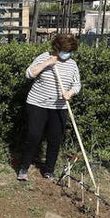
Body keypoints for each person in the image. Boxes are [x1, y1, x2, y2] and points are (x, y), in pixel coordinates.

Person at [17, 33, 82, 181]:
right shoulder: (44, 57)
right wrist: (47, 63)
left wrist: (70, 92)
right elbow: (29, 74)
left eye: (70, 51)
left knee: (55, 138)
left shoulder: (72, 64)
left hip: (59, 107)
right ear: (57, 48)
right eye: (65, 50)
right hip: (37, 104)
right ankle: (24, 167)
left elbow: (77, 84)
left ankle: (49, 170)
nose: (67, 54)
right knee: (33, 135)